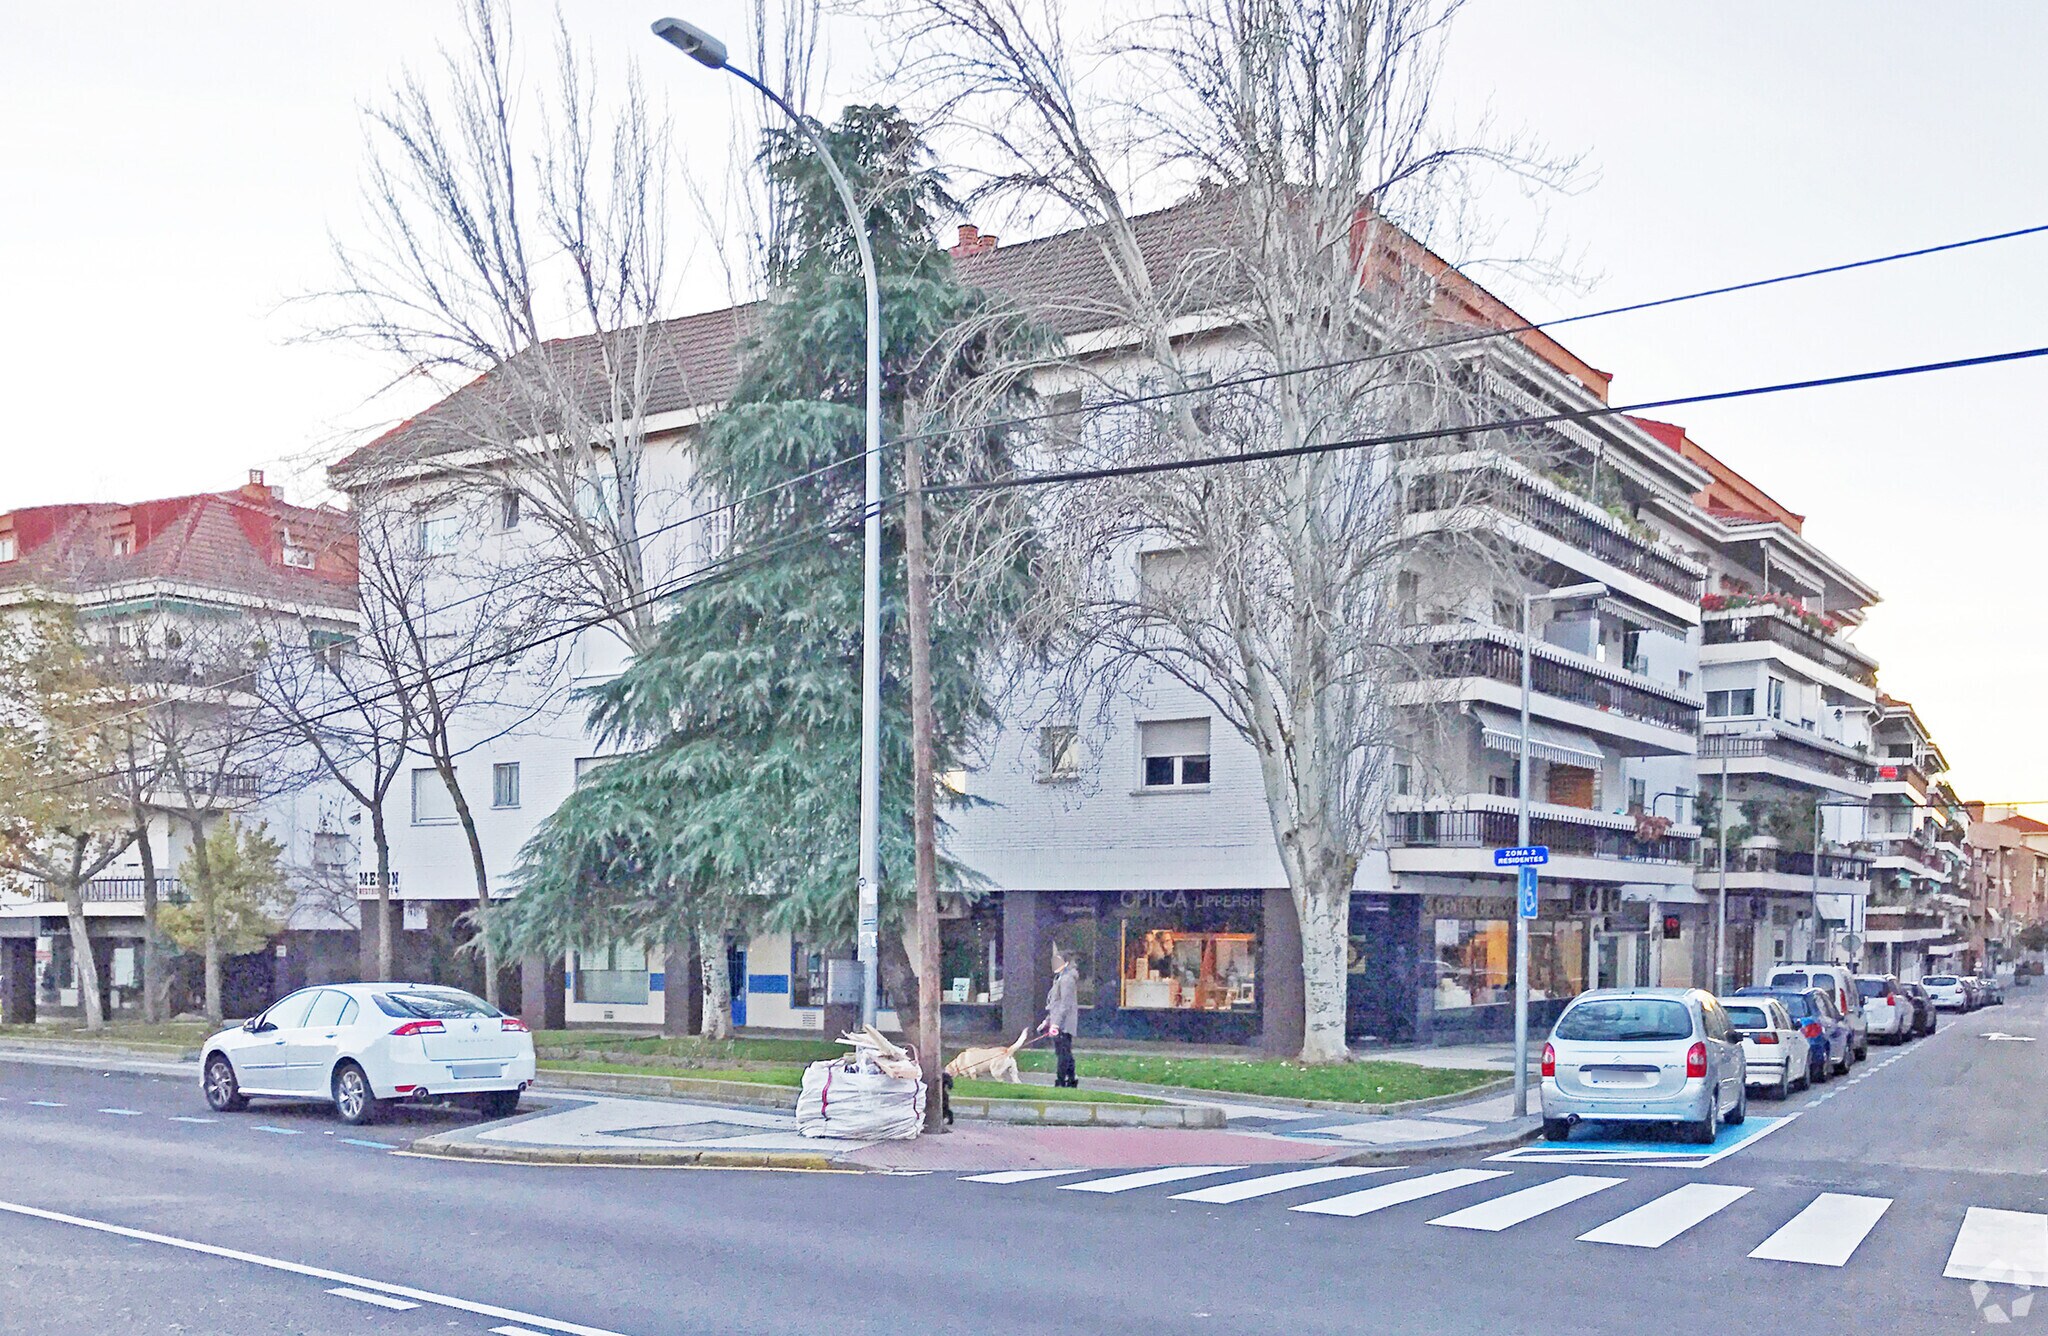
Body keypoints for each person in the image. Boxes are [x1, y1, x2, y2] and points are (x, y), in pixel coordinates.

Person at [1041, 946, 1080, 1088]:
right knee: (1064, 1052)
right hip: (1058, 1021)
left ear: (1067, 963)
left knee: (1063, 1053)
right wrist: (1048, 1021)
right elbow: (1055, 1003)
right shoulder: (1060, 978)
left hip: (1064, 1023)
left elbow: (1064, 1004)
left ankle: (1061, 1080)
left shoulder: (1067, 980)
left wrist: (1056, 1024)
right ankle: (1070, 1079)